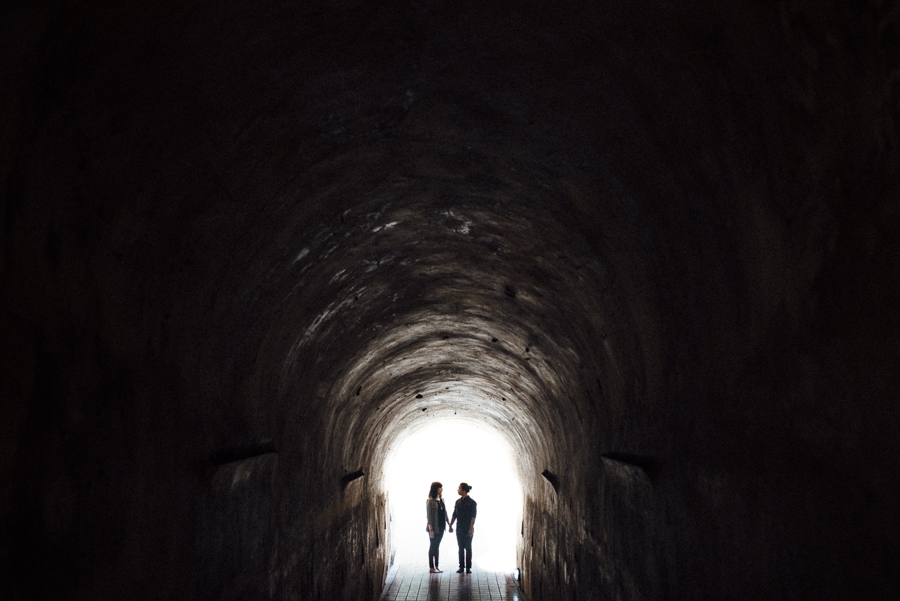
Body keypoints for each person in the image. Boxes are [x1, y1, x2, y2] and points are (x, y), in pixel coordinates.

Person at [449, 482, 476, 573]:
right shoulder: (457, 502)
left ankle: (468, 567)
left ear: (464, 490)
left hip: (468, 528)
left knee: (468, 547)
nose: (458, 490)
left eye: (459, 488)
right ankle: (461, 567)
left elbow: (473, 516)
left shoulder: (472, 503)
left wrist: (471, 528)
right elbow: (454, 514)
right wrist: (450, 525)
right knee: (460, 547)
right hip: (459, 528)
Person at [426, 481, 451, 573]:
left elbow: (445, 512)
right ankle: (431, 567)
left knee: (437, 546)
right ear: (436, 489)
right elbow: (429, 516)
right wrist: (431, 529)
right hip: (434, 527)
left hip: (441, 526)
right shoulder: (430, 501)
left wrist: (449, 523)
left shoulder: (441, 499)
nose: (442, 489)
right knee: (433, 545)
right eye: (440, 487)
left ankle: (436, 566)